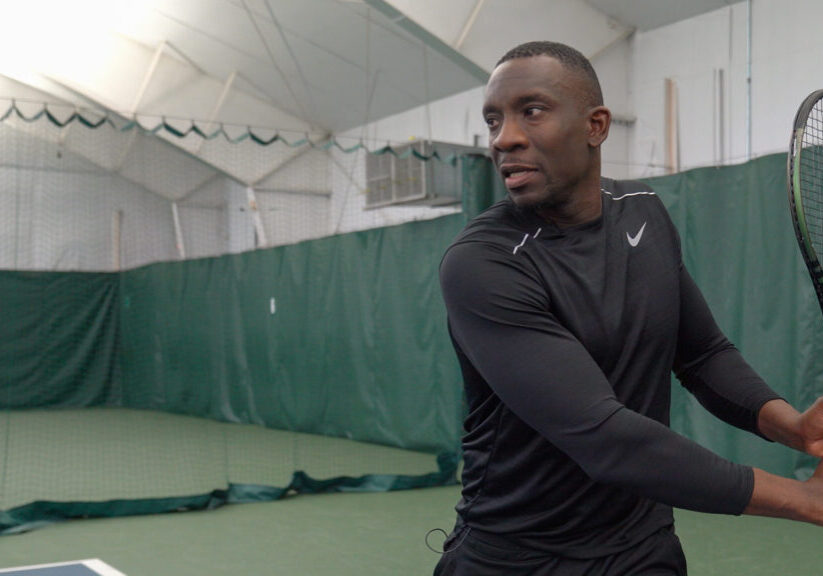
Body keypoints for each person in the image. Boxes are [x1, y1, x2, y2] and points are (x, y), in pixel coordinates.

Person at [434, 40, 823, 576]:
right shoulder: (483, 263)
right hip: (519, 557)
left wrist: (795, 428)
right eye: (493, 119)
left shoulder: (642, 211)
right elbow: (604, 437)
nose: (506, 138)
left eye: (532, 111)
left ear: (596, 125)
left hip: (644, 549)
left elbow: (702, 354)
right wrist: (802, 499)